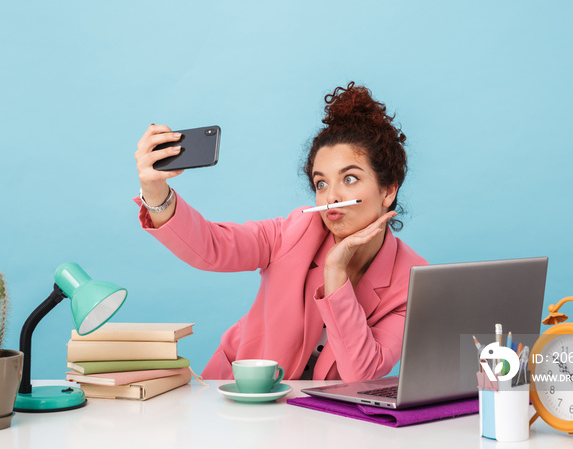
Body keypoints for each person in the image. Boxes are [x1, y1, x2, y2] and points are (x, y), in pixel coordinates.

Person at [134, 82, 428, 382]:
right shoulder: (296, 232)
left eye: (350, 178)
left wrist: (336, 273)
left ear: (388, 190)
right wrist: (156, 193)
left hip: (325, 421)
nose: (332, 197)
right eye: (321, 183)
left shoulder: (413, 282)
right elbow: (212, 246)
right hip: (240, 394)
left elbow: (361, 374)